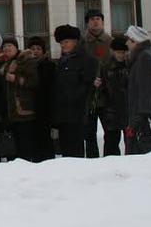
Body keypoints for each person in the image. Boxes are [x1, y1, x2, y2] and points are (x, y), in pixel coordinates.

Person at [51, 24, 97, 158]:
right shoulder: (62, 61)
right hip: (63, 114)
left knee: (75, 151)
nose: (63, 45)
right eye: (61, 43)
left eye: (66, 42)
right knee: (66, 151)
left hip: (76, 113)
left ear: (75, 41)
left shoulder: (86, 59)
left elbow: (88, 86)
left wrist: (72, 97)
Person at [124, 25, 151, 155]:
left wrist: (141, 117)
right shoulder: (142, 56)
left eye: (128, 39)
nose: (126, 43)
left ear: (135, 41)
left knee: (144, 151)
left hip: (145, 117)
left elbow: (146, 90)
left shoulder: (145, 57)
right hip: (142, 115)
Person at [82, 9, 112, 158]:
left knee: (110, 132)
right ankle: (92, 161)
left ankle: (111, 159)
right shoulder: (82, 43)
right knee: (89, 134)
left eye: (98, 19)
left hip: (107, 95)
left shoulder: (110, 42)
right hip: (88, 96)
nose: (95, 21)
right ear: (87, 23)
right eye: (92, 19)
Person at [1, 46, 39, 161]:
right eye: (5, 47)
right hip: (9, 111)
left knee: (25, 146)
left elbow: (34, 81)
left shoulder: (26, 61)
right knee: (12, 147)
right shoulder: (2, 64)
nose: (7, 49)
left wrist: (16, 79)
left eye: (10, 46)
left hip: (23, 110)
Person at [26, 35, 56, 161]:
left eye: (38, 48)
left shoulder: (49, 65)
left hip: (45, 107)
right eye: (32, 48)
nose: (35, 51)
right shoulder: (26, 65)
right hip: (30, 107)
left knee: (45, 138)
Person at [98, 37, 129, 156]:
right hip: (111, 110)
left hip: (128, 109)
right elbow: (103, 89)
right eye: (118, 52)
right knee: (111, 142)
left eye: (123, 52)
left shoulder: (131, 66)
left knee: (130, 142)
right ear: (112, 51)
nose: (121, 55)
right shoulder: (106, 67)